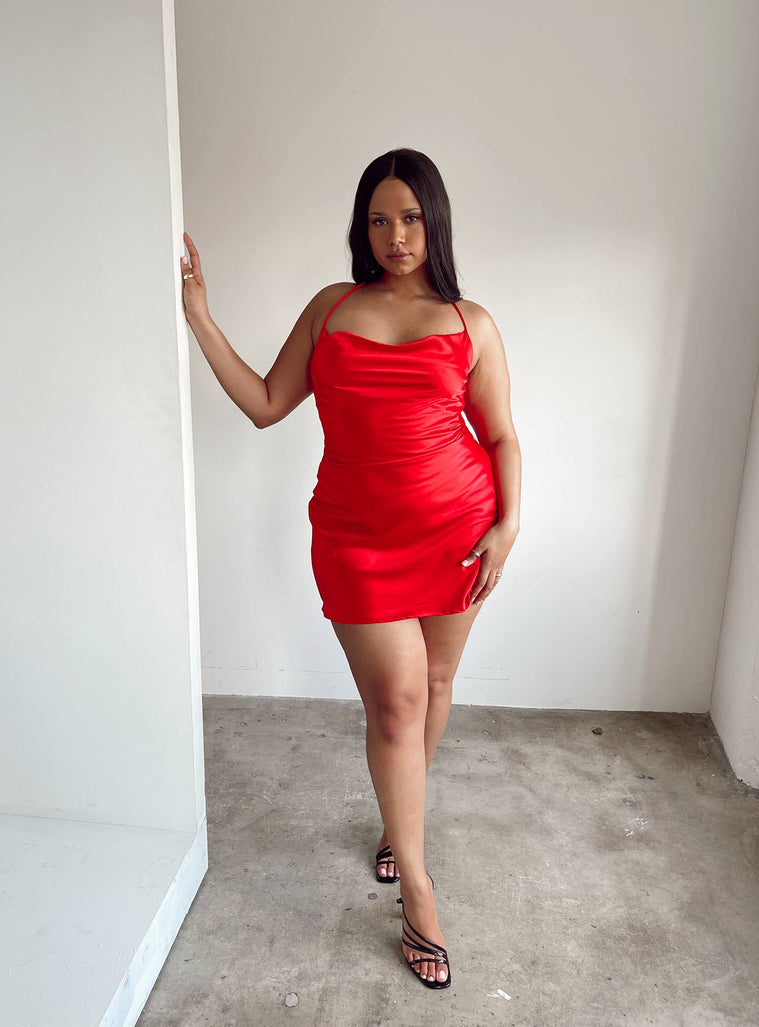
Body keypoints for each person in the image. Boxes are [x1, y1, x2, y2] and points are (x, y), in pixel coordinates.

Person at [180, 147, 521, 990]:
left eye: (410, 218)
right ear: (360, 228)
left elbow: (501, 435)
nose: (394, 235)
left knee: (434, 686)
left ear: (434, 223)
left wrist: (507, 526)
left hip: (457, 530)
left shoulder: (471, 322)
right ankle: (418, 888)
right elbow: (266, 404)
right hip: (357, 542)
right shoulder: (332, 308)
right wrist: (200, 319)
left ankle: (398, 829)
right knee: (397, 703)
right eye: (378, 219)